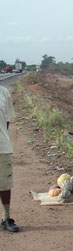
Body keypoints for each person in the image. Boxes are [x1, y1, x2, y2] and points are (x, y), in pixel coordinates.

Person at [0, 85, 18, 232]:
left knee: (5, 183)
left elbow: (7, 121)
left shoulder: (3, 92)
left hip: (2, 146)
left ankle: (6, 218)